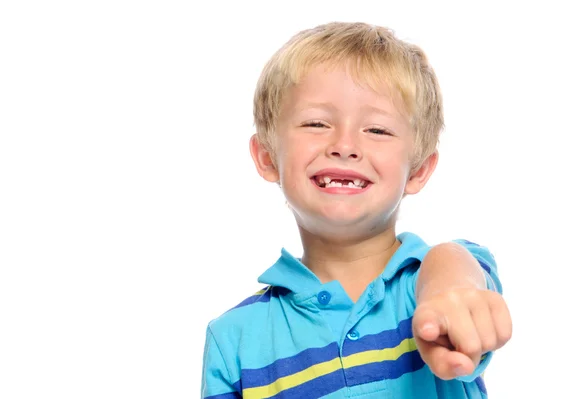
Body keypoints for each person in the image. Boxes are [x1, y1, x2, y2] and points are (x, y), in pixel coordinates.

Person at [201, 21, 512, 398]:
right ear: (267, 157)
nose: (344, 145)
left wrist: (450, 295)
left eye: (377, 130)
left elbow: (458, 275)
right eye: (316, 123)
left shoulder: (436, 280)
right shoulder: (232, 339)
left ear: (418, 170)